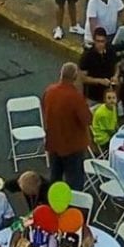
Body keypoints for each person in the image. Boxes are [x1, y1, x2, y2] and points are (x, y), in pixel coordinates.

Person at [42, 62, 92, 190]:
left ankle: (53, 204)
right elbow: (87, 119)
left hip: (53, 142)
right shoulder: (75, 96)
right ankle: (75, 207)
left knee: (55, 177)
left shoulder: (49, 91)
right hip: (72, 145)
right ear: (75, 77)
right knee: (74, 180)